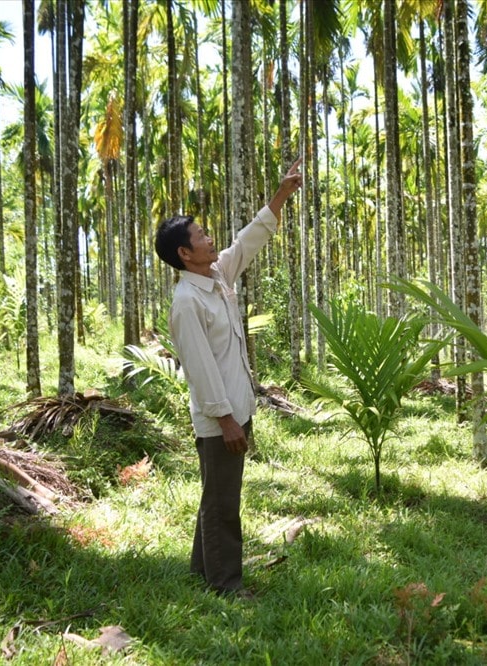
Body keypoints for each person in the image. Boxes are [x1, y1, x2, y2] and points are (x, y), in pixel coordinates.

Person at [154, 157, 303, 597]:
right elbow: (199, 371)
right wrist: (226, 420)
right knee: (223, 504)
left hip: (237, 409)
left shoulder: (216, 276)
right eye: (200, 236)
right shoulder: (187, 302)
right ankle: (226, 585)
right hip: (222, 419)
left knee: (215, 496)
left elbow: (248, 240)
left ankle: (202, 571)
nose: (209, 237)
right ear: (185, 253)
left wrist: (282, 194)